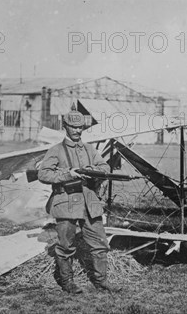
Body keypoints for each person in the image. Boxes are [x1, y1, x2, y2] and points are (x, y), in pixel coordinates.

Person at [38, 110, 120, 294]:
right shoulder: (56, 150)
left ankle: (102, 281)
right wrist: (68, 174)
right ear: (64, 127)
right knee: (66, 246)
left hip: (89, 204)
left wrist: (89, 170)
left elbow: (105, 166)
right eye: (73, 127)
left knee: (100, 244)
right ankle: (67, 282)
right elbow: (43, 174)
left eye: (80, 127)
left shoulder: (90, 149)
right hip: (66, 203)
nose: (77, 130)